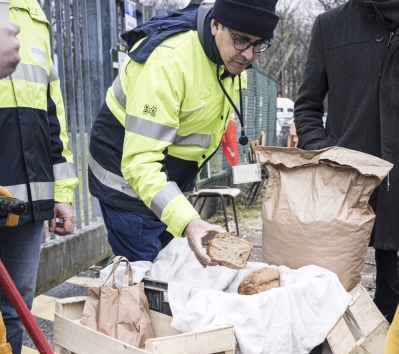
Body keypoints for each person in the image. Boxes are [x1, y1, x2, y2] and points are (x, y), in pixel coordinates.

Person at [89, 0, 279, 268]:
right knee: (148, 281)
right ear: (215, 25)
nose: (249, 55)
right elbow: (140, 162)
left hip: (166, 181)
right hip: (126, 180)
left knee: (165, 273)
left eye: (260, 44)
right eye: (242, 40)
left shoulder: (231, 59)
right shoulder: (168, 61)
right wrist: (188, 220)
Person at [294, 0, 399, 323]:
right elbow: (307, 107)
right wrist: (329, 155)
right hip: (343, 191)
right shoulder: (330, 26)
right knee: (328, 301)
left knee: (392, 302)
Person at [0, 0, 78, 354]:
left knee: (15, 313)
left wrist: (61, 194)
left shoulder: (33, 15)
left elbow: (52, 116)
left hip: (25, 203)